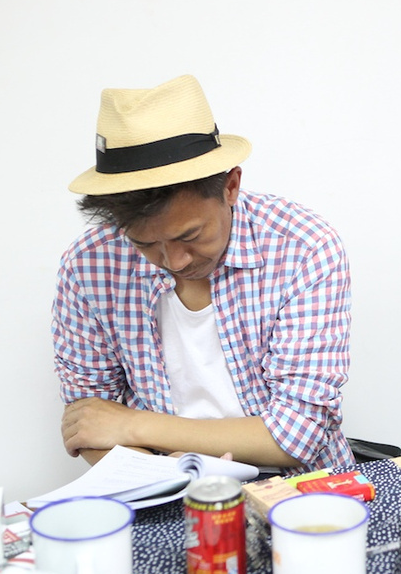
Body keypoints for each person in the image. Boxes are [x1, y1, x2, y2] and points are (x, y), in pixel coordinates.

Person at [56, 74, 354, 472]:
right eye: (144, 243)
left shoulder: (302, 246)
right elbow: (88, 423)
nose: (175, 261)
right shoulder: (88, 265)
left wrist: (135, 425)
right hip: (154, 483)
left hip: (296, 487)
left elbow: (298, 436)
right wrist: (167, 475)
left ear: (231, 186)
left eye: (190, 235)